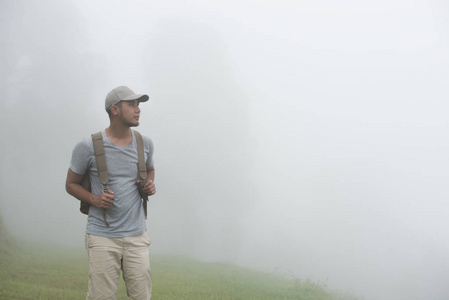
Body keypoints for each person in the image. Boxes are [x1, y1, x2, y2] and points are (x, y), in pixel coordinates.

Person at [65, 86, 156, 300]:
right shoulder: (88, 146)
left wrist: (149, 184)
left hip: (137, 235)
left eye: (139, 105)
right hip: (102, 236)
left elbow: (150, 170)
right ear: (114, 109)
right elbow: (71, 184)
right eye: (132, 104)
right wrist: (94, 199)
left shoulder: (145, 143)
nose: (138, 109)